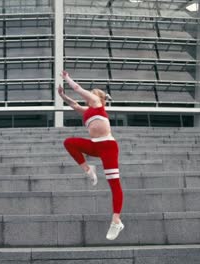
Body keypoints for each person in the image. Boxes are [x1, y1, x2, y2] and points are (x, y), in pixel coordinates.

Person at [58, 70, 124, 240]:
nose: (90, 95)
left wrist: (67, 78)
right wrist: (62, 95)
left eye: (93, 94)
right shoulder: (88, 110)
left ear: (100, 99)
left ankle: (116, 220)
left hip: (108, 146)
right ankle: (88, 169)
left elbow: (78, 89)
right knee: (69, 142)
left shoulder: (97, 104)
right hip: (95, 145)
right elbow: (74, 104)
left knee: (114, 183)